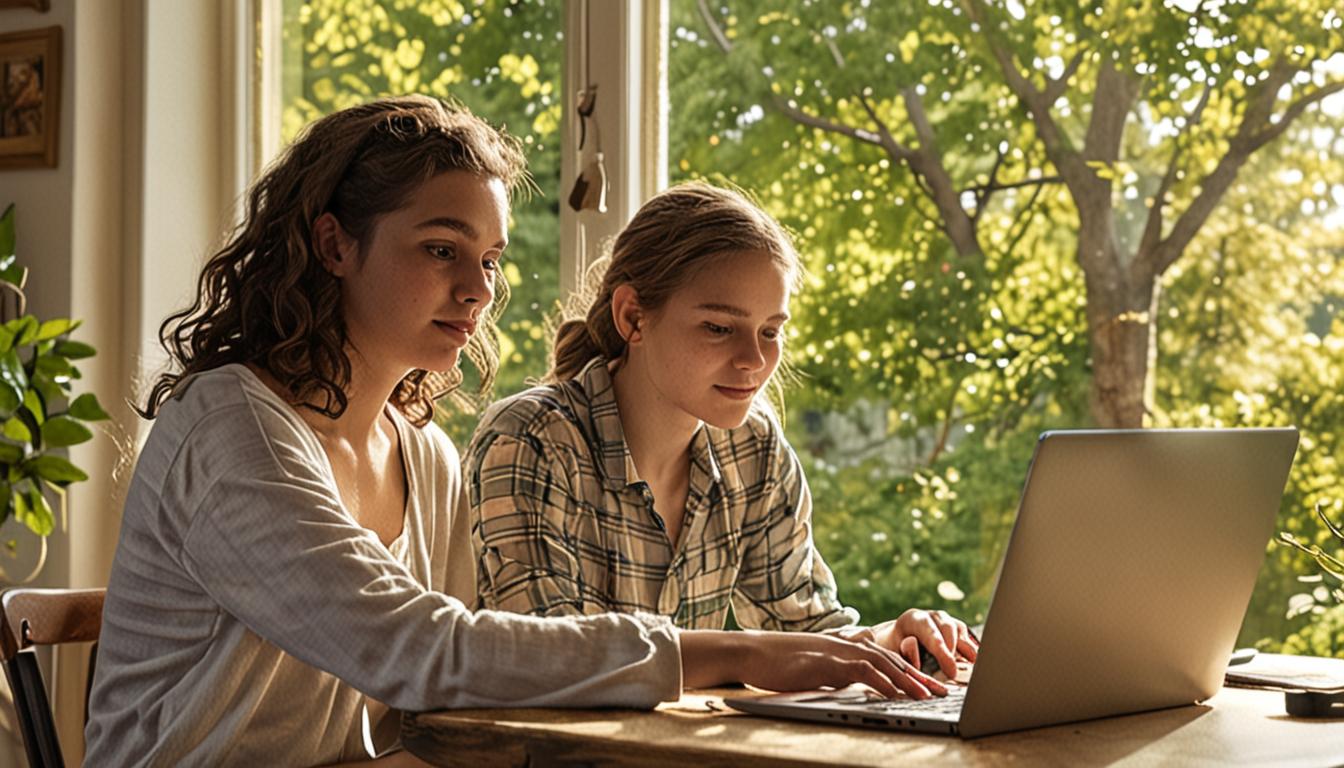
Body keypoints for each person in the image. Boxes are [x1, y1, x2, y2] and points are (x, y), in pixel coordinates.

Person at [83, 97, 945, 768]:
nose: (479, 289)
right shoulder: (233, 426)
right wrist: (733, 655)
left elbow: (453, 704)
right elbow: (419, 650)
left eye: (490, 260)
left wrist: (851, 652)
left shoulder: (421, 453)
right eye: (440, 249)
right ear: (333, 244)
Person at [467, 181, 980, 677]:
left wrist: (892, 639)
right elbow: (551, 658)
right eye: (718, 328)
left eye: (770, 332)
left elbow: (803, 631)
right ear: (633, 317)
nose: (754, 360)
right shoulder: (531, 439)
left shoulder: (752, 448)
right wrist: (745, 655)